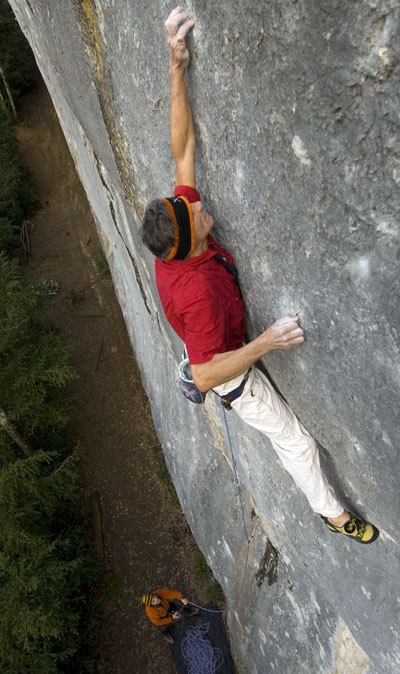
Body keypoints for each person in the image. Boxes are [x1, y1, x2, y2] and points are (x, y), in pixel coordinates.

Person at [140, 7, 379, 545]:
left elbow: (182, 150)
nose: (200, 206)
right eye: (197, 215)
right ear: (190, 242)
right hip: (227, 374)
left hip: (211, 335)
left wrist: (175, 66)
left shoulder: (181, 240)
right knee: (296, 442)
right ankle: (333, 515)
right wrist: (267, 342)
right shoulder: (196, 288)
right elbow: (205, 376)